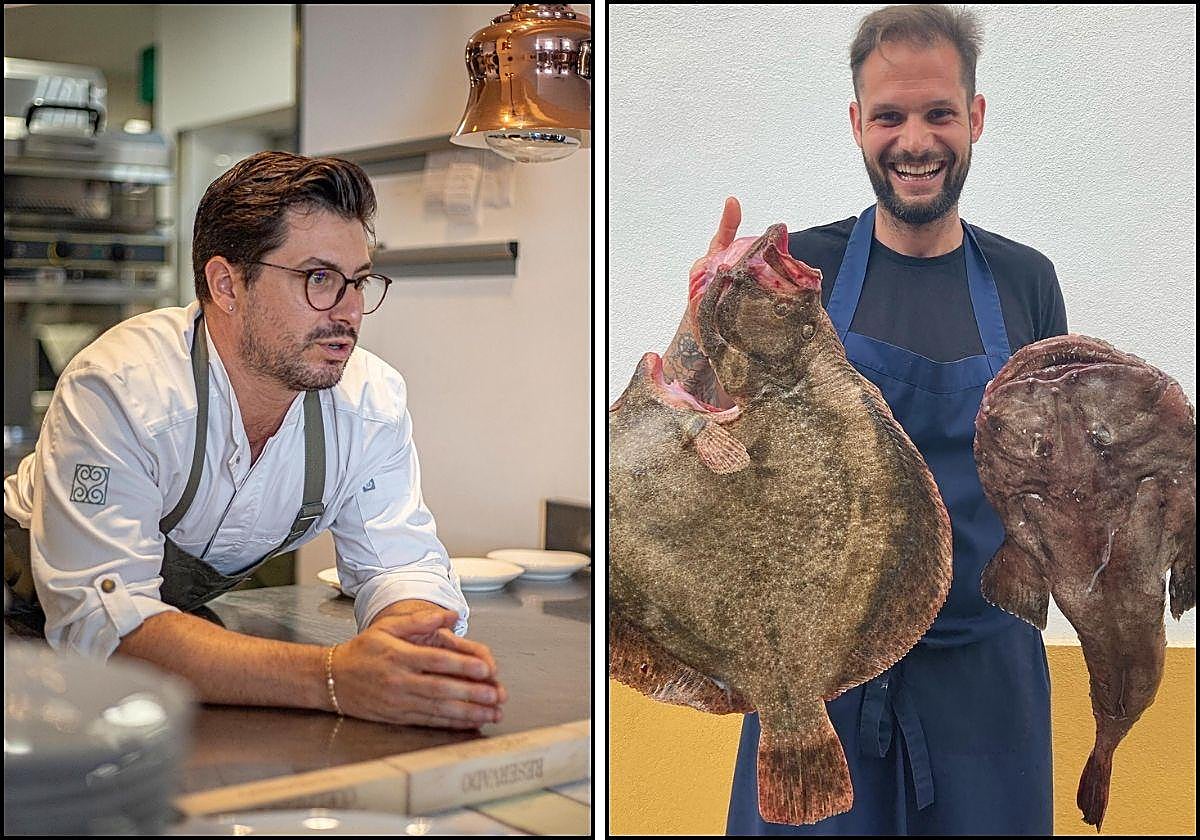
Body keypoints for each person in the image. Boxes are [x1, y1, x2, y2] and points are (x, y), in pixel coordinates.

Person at [661, 5, 1066, 835]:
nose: (914, 140)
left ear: (976, 117)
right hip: (820, 687)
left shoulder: (1029, 284)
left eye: (938, 113)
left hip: (986, 696)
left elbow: (1054, 495)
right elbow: (697, 450)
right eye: (889, 116)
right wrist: (700, 333)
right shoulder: (796, 273)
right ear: (856, 124)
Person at [3, 151, 507, 730]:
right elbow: (99, 619)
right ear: (226, 284)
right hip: (26, 617)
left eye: (359, 282)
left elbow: (402, 564)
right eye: (319, 279)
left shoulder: (369, 402)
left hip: (168, 633)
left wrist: (409, 645)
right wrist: (335, 678)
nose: (349, 312)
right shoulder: (123, 388)